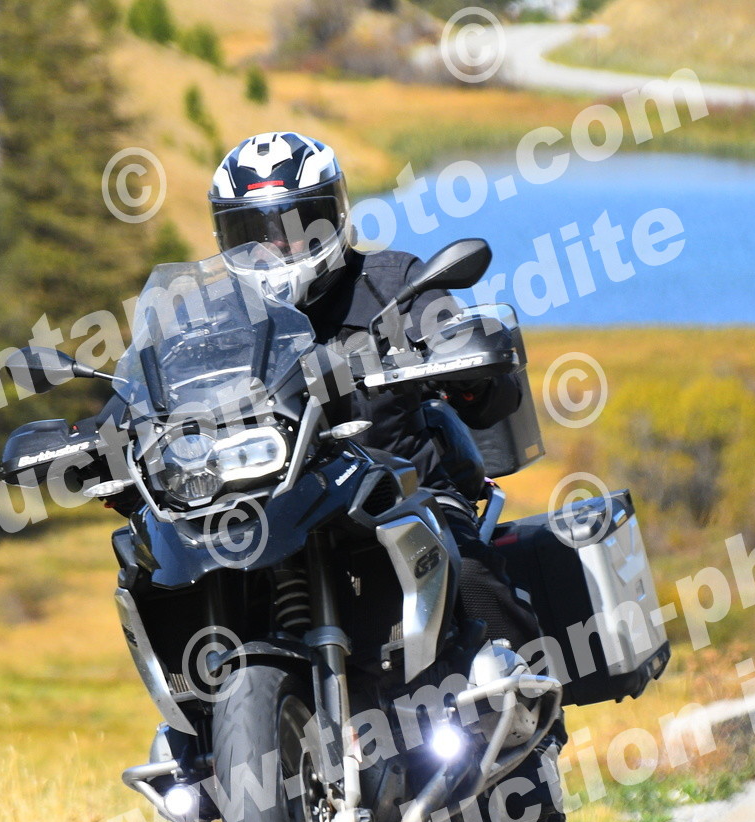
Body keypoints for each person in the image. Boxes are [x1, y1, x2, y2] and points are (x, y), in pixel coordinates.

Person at [208, 132, 538, 650]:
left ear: (333, 215)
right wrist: (102, 435)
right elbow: (147, 392)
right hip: (270, 515)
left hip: (402, 495)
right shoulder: (214, 320)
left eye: (294, 228)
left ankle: (527, 688)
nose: (276, 247)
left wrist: (467, 371)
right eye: (255, 234)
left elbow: (492, 391)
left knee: (470, 573)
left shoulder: (393, 282)